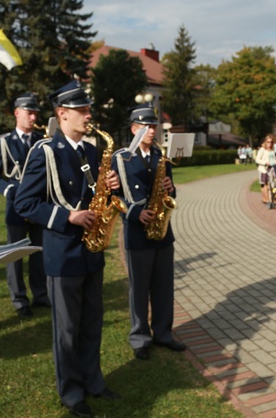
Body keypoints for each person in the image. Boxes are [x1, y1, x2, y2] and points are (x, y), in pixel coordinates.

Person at [14, 80, 121, 418]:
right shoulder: (45, 151)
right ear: (62, 114)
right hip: (62, 253)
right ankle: (72, 393)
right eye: (82, 110)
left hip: (92, 251)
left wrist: (111, 188)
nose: (89, 115)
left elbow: (98, 195)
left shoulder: (92, 151)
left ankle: (93, 381)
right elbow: (24, 203)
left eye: (89, 109)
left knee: (92, 322)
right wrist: (67, 216)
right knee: (67, 330)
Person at [111, 103, 185, 362]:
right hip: (136, 230)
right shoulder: (120, 158)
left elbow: (171, 192)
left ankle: (163, 333)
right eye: (144, 126)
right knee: (139, 288)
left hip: (162, 229)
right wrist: (134, 213)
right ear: (133, 129)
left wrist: (170, 187)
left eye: (152, 126)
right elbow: (113, 196)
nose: (150, 130)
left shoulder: (161, 155)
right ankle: (139, 337)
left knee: (164, 286)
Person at [0, 93, 49, 316]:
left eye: (35, 113)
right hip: (15, 206)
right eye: (29, 112)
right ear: (17, 113)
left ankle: (40, 294)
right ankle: (19, 299)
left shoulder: (43, 141)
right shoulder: (4, 142)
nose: (33, 117)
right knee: (15, 254)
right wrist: (8, 190)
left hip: (39, 205)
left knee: (38, 252)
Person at [255, 136, 276, 205]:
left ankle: (271, 199)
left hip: (271, 169)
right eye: (268, 142)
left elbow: (273, 159)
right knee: (265, 185)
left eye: (271, 142)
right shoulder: (262, 149)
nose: (269, 143)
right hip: (264, 169)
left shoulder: (272, 150)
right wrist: (265, 162)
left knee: (272, 184)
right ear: (265, 142)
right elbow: (257, 160)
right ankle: (267, 199)